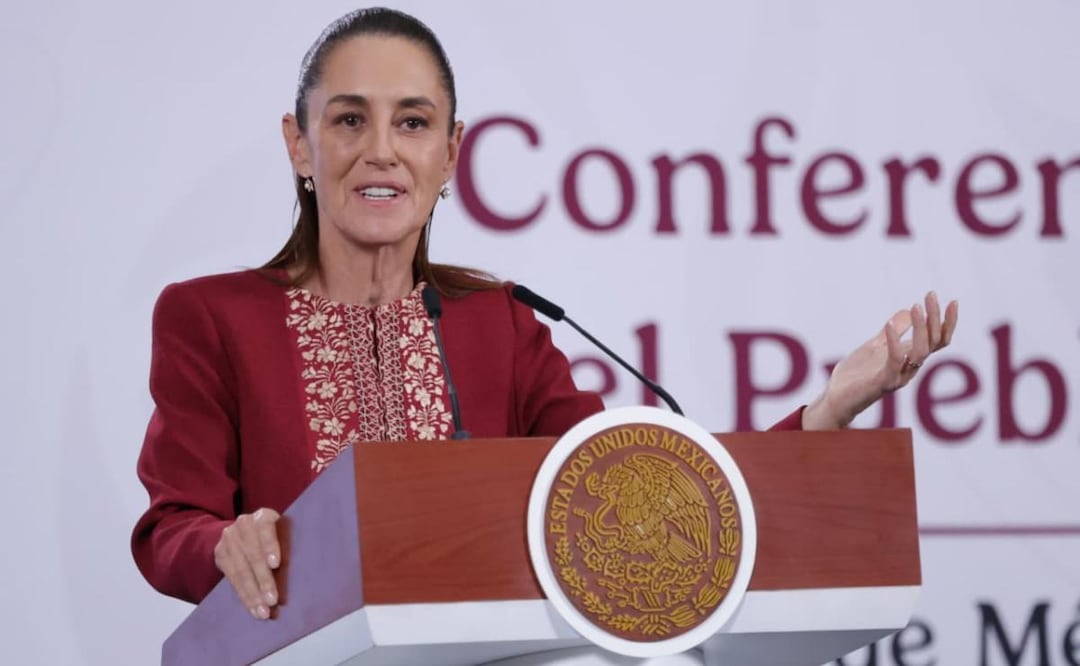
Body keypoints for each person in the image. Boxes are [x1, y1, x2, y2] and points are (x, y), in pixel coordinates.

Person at [131, 7, 958, 625]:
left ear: (450, 153)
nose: (380, 149)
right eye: (349, 119)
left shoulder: (502, 325)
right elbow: (171, 528)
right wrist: (223, 543)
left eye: (412, 123)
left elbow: (645, 494)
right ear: (299, 144)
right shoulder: (210, 316)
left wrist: (825, 412)